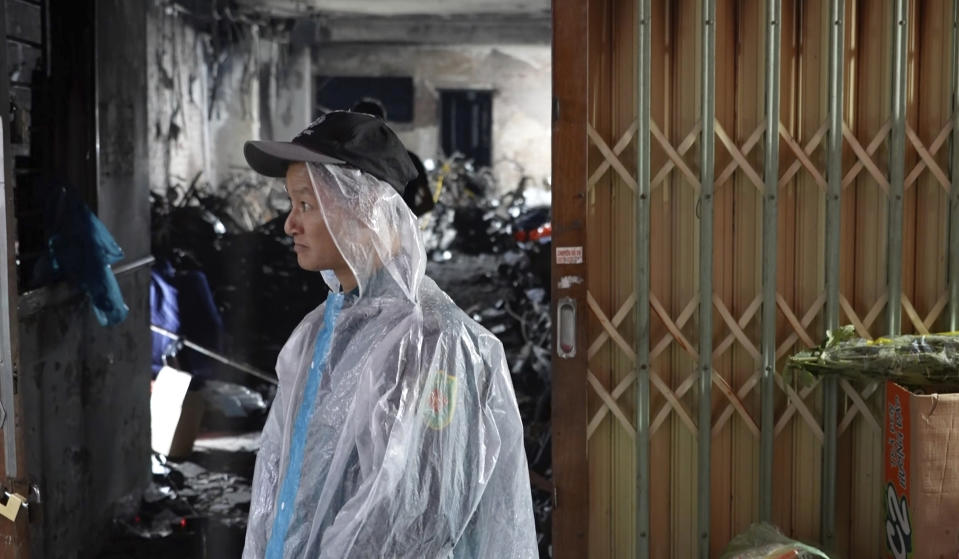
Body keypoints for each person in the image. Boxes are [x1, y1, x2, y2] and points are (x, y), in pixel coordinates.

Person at [241, 111, 537, 558]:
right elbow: (278, 490)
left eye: (306, 205)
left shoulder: (437, 343)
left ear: (366, 207)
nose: (289, 224)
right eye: (291, 204)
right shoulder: (316, 335)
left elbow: (414, 524)